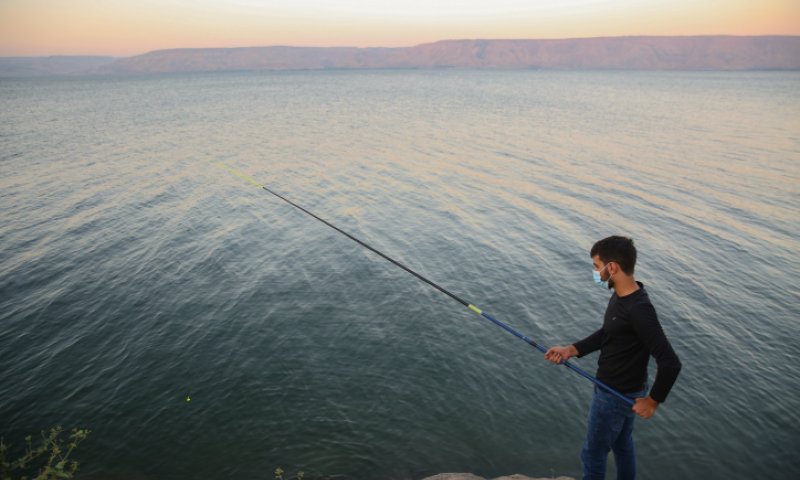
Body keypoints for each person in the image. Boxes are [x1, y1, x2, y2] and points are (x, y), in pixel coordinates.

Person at [545, 236, 681, 480]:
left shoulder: (639, 309)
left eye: (597, 266)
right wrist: (571, 349)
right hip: (624, 390)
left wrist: (652, 401)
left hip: (614, 395)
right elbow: (608, 332)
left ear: (613, 267)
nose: (595, 272)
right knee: (622, 445)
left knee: (593, 453)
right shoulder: (622, 295)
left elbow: (670, 362)